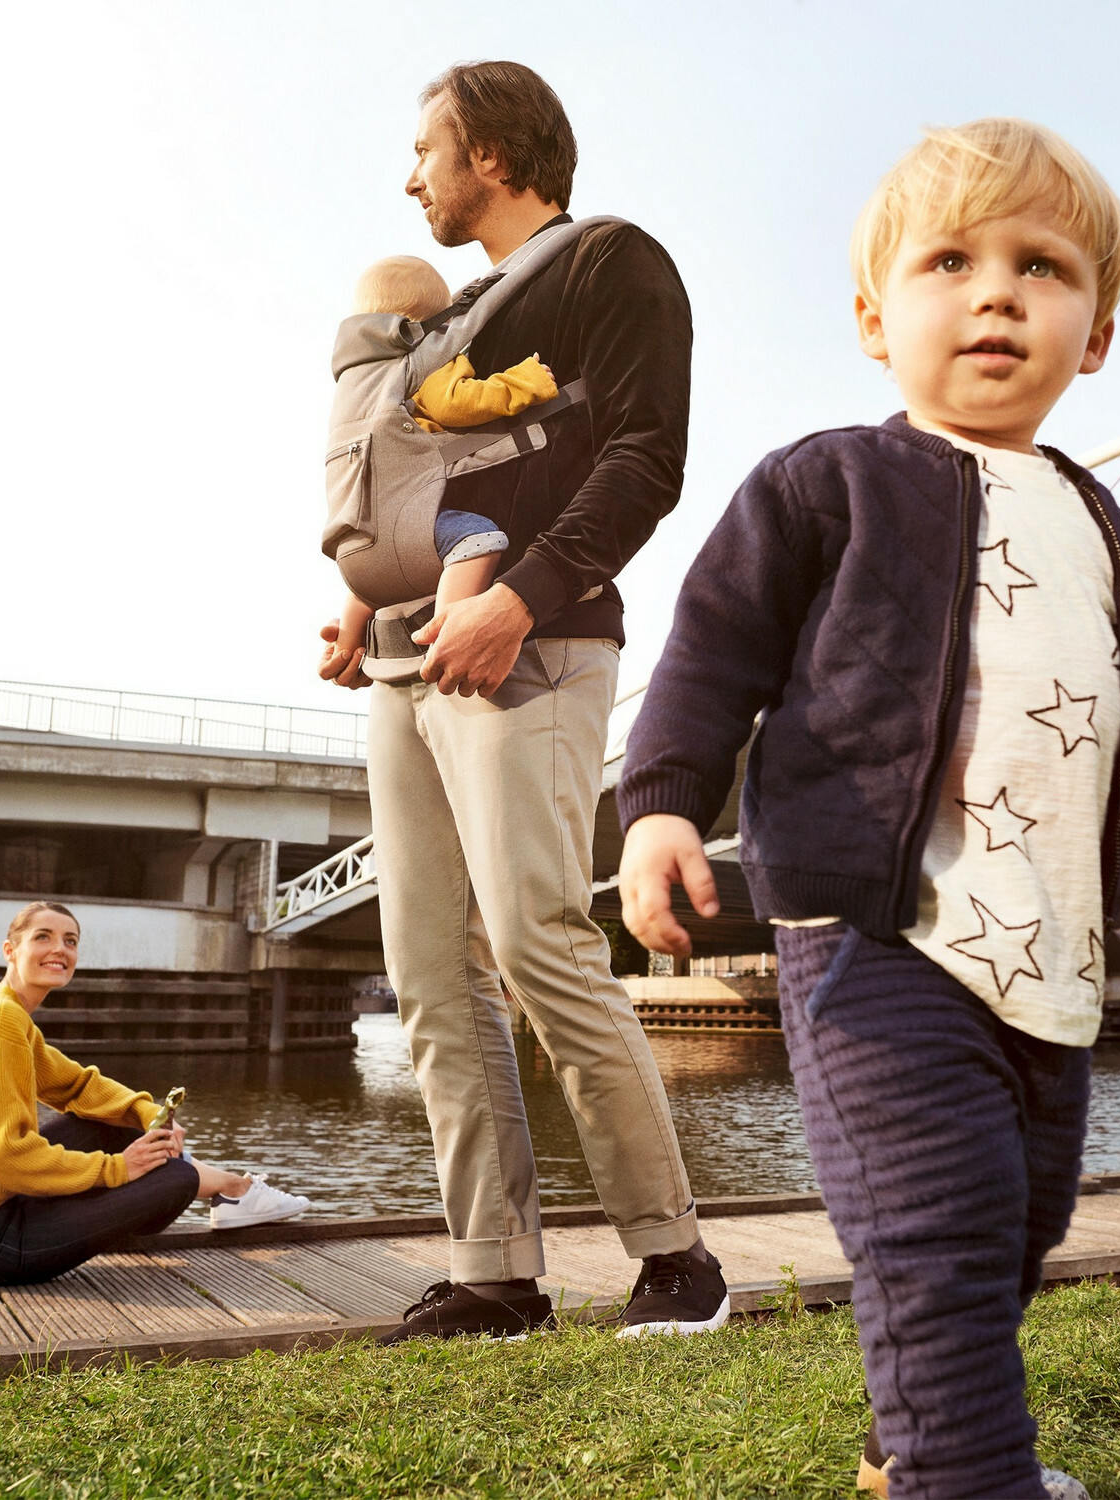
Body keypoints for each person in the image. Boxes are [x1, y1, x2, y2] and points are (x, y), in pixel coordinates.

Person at [617, 119, 1120, 1499]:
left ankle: (913, 1434)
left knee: (1019, 1219)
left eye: (1043, 268)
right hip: (879, 942)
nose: (999, 292)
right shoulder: (828, 483)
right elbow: (713, 651)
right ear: (878, 319)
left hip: (1049, 960)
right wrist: (660, 803)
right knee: (936, 1226)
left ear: (1099, 335)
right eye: (953, 260)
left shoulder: (1110, 531)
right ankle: (965, 1469)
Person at [319, 60, 728, 1342]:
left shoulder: (611, 261)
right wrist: (364, 598)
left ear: (491, 151)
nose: (410, 177)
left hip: (533, 647)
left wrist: (521, 597)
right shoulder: (443, 325)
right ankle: (498, 1270)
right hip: (404, 657)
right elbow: (420, 481)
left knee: (542, 941)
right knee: (431, 976)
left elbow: (645, 456)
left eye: (426, 150)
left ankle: (677, 1262)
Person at [0, 901, 309, 1288]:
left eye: (70, 940)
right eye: (43, 937)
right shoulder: (0, 1023)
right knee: (178, 1177)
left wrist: (148, 1113)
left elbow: (78, 1086)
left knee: (116, 1124)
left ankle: (232, 1191)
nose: (60, 949)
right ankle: (234, 1189)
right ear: (10, 950)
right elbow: (7, 1156)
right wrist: (116, 1170)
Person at [321, 253, 559, 686]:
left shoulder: (356, 380)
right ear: (422, 325)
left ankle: (346, 646)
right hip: (409, 527)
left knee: (368, 585)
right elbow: (457, 402)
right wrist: (524, 381)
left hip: (356, 547)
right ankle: (448, 629)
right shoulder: (418, 362)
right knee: (480, 540)